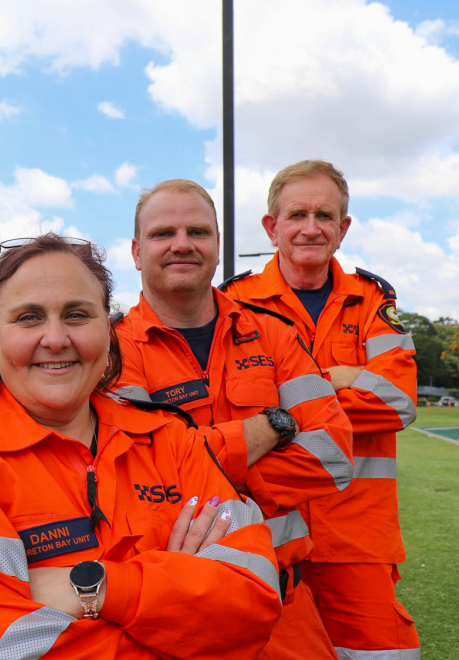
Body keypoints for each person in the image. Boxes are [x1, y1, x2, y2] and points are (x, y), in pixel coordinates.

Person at [0, 235, 282, 659]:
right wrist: (172, 609)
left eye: (77, 315)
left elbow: (253, 600)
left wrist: (95, 587)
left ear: (107, 328)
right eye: (29, 318)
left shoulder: (170, 440)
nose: (56, 338)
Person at [112, 179, 354, 659]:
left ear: (217, 247)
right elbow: (142, 470)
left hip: (284, 606)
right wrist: (274, 427)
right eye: (164, 234)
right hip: (173, 611)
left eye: (198, 231)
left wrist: (198, 467)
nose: (182, 244)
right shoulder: (111, 351)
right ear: (138, 253)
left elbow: (334, 456)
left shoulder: (274, 334)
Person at [222, 160, 420, 659]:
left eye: (324, 216)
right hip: (267, 529)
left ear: (343, 228)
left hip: (357, 536)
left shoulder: (373, 300)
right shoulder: (231, 302)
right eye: (297, 215)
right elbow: (222, 409)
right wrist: (343, 378)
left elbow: (397, 402)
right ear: (272, 226)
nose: (311, 228)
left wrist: (286, 403)